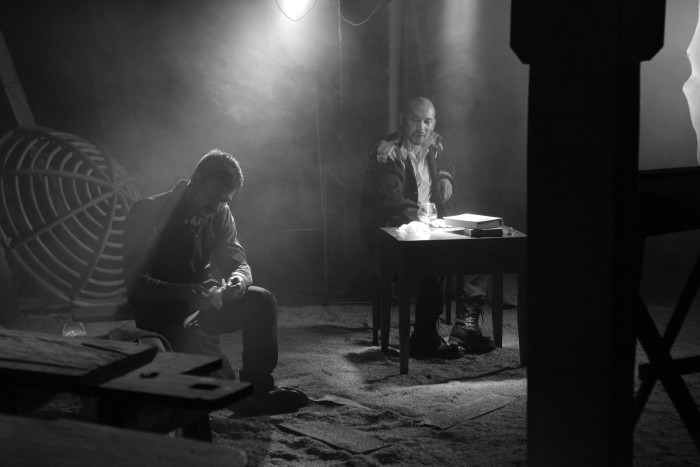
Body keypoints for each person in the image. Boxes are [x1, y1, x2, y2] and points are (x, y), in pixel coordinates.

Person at [123, 149, 307, 415]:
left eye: (225, 199)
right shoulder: (148, 211)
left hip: (205, 304)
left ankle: (259, 388)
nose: (217, 206)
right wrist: (181, 292)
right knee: (221, 384)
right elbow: (135, 283)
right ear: (195, 180)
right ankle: (233, 394)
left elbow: (238, 262)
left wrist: (237, 281)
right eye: (212, 196)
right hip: (161, 310)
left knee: (261, 300)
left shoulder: (220, 212)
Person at [360, 96, 493, 358]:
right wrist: (427, 222)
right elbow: (391, 202)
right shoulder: (386, 152)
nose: (422, 127)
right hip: (391, 232)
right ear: (402, 120)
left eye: (427, 121)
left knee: (480, 247)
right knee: (438, 255)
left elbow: (441, 166)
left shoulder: (433, 144)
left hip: (430, 226)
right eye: (415, 120)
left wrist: (444, 177)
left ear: (434, 123)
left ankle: (466, 326)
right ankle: (424, 336)